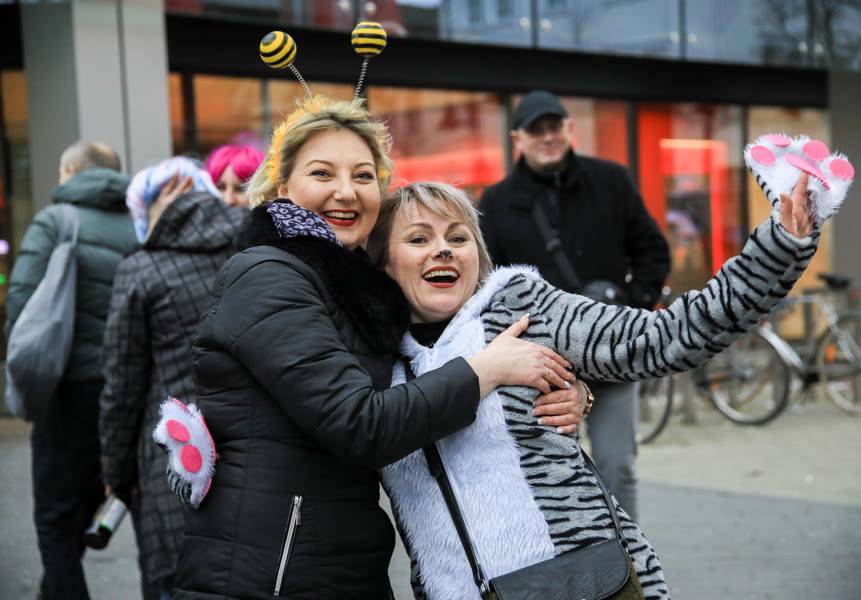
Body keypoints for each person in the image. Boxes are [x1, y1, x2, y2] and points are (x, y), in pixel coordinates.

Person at [172, 97, 579, 600]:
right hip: (271, 573)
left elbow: (428, 367)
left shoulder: (358, 289)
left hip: (334, 562)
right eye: (323, 173)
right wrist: (486, 370)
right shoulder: (269, 275)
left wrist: (556, 387)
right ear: (283, 188)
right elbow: (360, 422)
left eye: (363, 175)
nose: (345, 191)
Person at [366, 170, 820, 599]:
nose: (443, 250)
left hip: (582, 583)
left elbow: (663, 338)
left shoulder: (521, 308)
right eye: (419, 238)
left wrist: (778, 248)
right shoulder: (371, 362)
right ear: (384, 263)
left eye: (458, 237)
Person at [478, 90, 671, 520]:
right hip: (541, 364)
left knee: (618, 467)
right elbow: (488, 284)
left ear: (569, 130)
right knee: (550, 476)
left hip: (611, 350)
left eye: (554, 127)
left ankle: (627, 558)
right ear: (517, 139)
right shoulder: (496, 202)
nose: (547, 137)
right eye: (536, 130)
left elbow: (653, 252)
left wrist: (630, 312)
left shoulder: (611, 181)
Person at [98, 157, 244, 600]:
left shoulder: (141, 269)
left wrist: (116, 474)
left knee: (176, 580)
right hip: (251, 456)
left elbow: (121, 388)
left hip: (173, 465)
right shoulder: (250, 253)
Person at [5, 140, 138, 600]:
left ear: (71, 171)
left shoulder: (55, 220)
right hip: (126, 392)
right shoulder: (141, 224)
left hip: (67, 391)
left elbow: (21, 306)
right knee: (101, 503)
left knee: (57, 520)